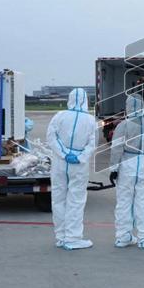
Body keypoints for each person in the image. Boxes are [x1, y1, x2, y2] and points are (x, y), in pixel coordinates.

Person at [109, 94, 144, 250]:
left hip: (128, 164)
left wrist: (114, 169)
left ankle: (122, 237)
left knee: (124, 202)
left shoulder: (123, 125)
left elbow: (116, 148)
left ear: (128, 107)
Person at [46, 88, 97, 250]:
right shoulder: (90, 120)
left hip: (60, 163)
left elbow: (51, 137)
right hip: (78, 165)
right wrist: (80, 157)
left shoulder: (59, 116)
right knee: (76, 199)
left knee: (58, 199)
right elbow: (92, 143)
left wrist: (63, 154)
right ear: (86, 100)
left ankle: (61, 236)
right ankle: (73, 238)